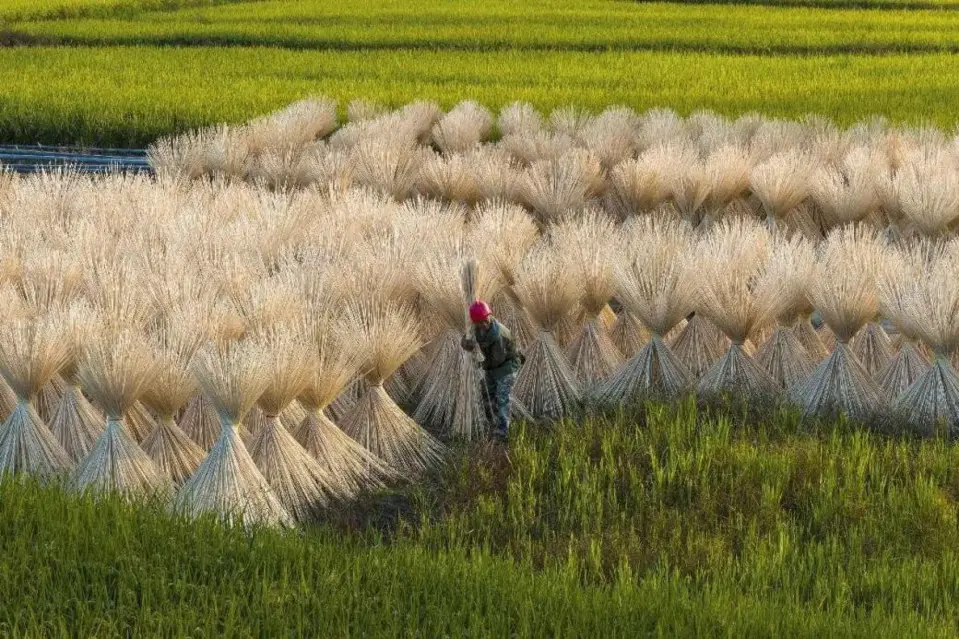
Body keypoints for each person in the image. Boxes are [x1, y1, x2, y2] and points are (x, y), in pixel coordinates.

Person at [460, 300, 523, 443]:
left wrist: (480, 363)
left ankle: (503, 430)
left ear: (490, 316)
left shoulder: (499, 334)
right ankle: (492, 419)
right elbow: (465, 338)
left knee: (502, 397)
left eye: (485, 320)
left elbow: (497, 360)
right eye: (480, 322)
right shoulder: (477, 328)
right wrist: (466, 343)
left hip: (507, 366)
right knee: (487, 392)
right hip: (493, 366)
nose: (484, 324)